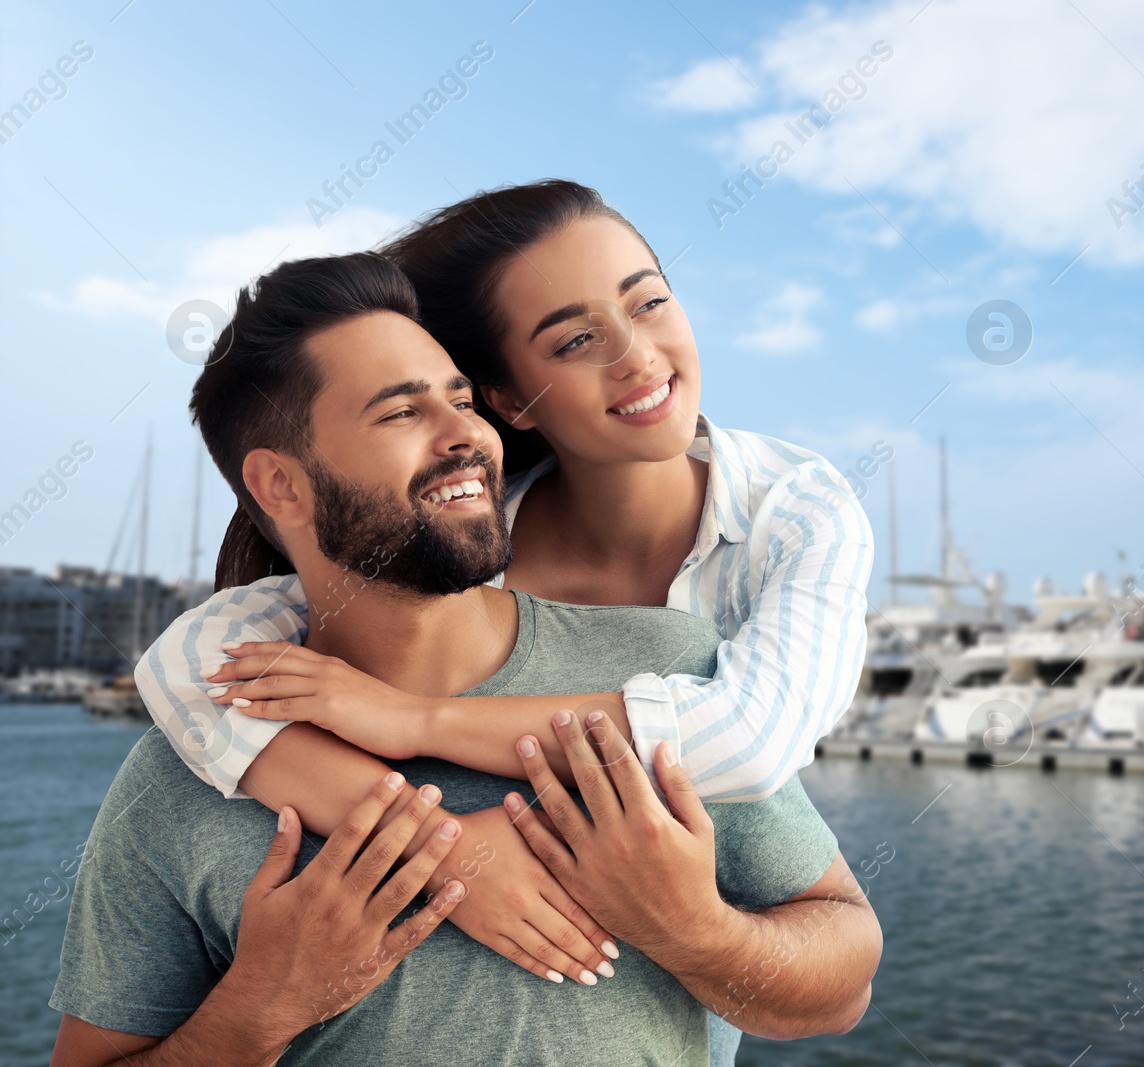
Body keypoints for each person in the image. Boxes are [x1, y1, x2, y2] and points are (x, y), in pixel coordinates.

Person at [50, 253, 880, 1066]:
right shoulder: (177, 775)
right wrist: (265, 1001)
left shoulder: (665, 667)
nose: (468, 436)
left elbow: (843, 987)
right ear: (281, 486)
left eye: (460, 399)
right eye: (402, 413)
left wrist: (691, 926)